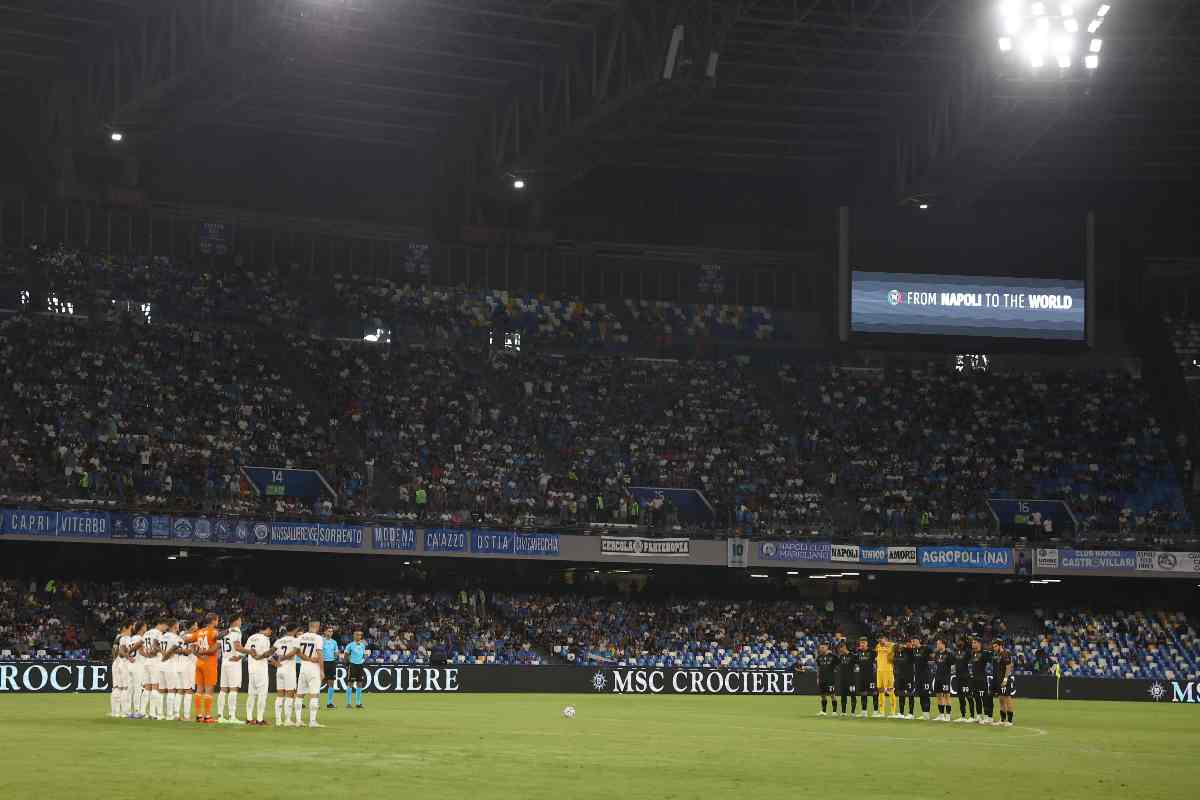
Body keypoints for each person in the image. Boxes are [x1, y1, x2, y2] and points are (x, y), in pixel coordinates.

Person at [187, 613, 221, 724]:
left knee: (199, 689)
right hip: (209, 662)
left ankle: (198, 715)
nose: (218, 622)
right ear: (214, 621)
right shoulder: (214, 632)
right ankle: (207, 716)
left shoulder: (199, 632)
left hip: (199, 662)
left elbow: (186, 639)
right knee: (209, 690)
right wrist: (203, 651)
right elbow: (212, 650)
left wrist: (197, 651)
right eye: (217, 620)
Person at [217, 614, 250, 724]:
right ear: (235, 621)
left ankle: (220, 716)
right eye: (240, 620)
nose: (241, 622)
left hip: (224, 661)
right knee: (233, 689)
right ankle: (232, 716)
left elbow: (218, 644)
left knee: (223, 689)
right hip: (233, 662)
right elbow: (237, 647)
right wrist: (249, 651)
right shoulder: (236, 631)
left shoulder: (224, 632)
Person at [296, 620, 326, 728]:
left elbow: (297, 651)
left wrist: (307, 659)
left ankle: (298, 721)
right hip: (314, 668)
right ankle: (312, 722)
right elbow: (320, 654)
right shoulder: (318, 638)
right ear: (316, 626)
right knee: (314, 695)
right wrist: (322, 670)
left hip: (303, 667)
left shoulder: (301, 637)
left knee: (300, 694)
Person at [270, 623, 301, 727]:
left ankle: (278, 720)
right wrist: (283, 658)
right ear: (295, 629)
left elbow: (270, 655)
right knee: (290, 694)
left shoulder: (279, 640)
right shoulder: (295, 640)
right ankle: (287, 720)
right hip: (289, 670)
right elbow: (294, 652)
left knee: (280, 695)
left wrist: (275, 662)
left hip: (280, 669)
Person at [244, 625, 274, 726]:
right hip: (261, 669)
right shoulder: (265, 639)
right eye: (270, 630)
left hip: (251, 669)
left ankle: (249, 719)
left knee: (251, 694)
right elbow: (266, 654)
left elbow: (245, 651)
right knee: (262, 694)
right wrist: (274, 661)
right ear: (267, 629)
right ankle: (260, 719)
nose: (270, 633)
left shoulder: (251, 637)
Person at [141, 620, 167, 720]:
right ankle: (153, 713)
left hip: (147, 661)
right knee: (155, 688)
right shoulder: (158, 633)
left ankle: (143, 712)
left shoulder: (146, 633)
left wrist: (147, 654)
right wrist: (162, 652)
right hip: (155, 661)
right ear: (160, 624)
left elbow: (142, 646)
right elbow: (156, 645)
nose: (165, 628)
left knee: (147, 688)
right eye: (165, 626)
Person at [160, 620, 183, 721]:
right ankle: (170, 715)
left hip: (161, 666)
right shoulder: (175, 637)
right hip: (170, 665)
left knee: (161, 691)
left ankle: (160, 714)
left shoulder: (162, 636)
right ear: (174, 626)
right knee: (171, 690)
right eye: (177, 625)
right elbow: (176, 649)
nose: (178, 626)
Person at [177, 621, 198, 721]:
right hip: (188, 665)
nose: (197, 627)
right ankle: (186, 716)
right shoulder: (194, 636)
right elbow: (190, 651)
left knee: (180, 690)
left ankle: (176, 714)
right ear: (192, 626)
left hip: (179, 663)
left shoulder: (181, 634)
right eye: (196, 625)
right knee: (188, 690)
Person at [970, 638, 994, 725]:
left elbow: (991, 660)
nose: (973, 644)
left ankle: (987, 717)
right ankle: (979, 715)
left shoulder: (984, 653)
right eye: (972, 643)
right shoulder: (973, 653)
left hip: (982, 679)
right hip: (974, 679)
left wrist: (990, 652)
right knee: (977, 698)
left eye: (974, 642)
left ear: (979, 644)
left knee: (984, 698)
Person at [111, 622, 132, 718]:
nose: (131, 630)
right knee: (124, 688)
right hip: (123, 663)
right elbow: (122, 652)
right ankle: (124, 712)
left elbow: (114, 650)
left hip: (116, 663)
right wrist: (129, 658)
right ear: (125, 628)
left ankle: (115, 712)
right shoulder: (125, 638)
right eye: (130, 628)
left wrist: (114, 660)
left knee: (116, 687)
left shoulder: (117, 637)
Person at [993, 639, 1016, 727]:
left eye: (995, 646)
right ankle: (1002, 720)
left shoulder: (1005, 654)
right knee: (1001, 700)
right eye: (993, 646)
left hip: (1004, 680)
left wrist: (1005, 679)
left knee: (1007, 699)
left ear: (1000, 646)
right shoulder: (998, 655)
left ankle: (1009, 721)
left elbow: (1008, 667)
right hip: (999, 679)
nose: (994, 648)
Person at [953, 636, 975, 723]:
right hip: (958, 678)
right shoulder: (956, 652)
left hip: (966, 677)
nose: (958, 643)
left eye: (960, 641)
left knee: (969, 697)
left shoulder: (967, 652)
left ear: (963, 643)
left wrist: (969, 642)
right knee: (961, 697)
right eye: (958, 641)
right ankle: (963, 716)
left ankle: (972, 716)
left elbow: (972, 652)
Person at [854, 637, 878, 718]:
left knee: (874, 693)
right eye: (861, 642)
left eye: (864, 642)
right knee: (863, 693)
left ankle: (875, 711)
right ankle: (864, 711)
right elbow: (856, 662)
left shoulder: (872, 652)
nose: (862, 644)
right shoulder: (858, 652)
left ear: (867, 643)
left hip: (871, 676)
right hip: (862, 676)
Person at [344, 629, 368, 709]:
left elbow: (364, 655)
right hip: (352, 665)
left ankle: (358, 703)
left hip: (360, 666)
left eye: (360, 635)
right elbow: (346, 655)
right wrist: (347, 664)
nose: (359, 636)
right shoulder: (350, 645)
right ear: (354, 636)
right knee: (350, 683)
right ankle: (349, 703)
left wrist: (363, 659)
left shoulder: (362, 645)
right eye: (357, 635)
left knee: (359, 683)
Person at [127, 622, 146, 719]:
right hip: (138, 665)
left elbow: (127, 651)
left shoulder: (130, 638)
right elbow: (142, 652)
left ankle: (129, 711)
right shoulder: (140, 639)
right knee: (138, 689)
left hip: (130, 665)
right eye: (145, 626)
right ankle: (137, 711)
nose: (146, 628)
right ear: (142, 628)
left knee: (130, 689)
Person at [893, 636, 914, 719]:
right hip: (900, 677)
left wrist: (908, 646)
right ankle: (901, 713)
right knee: (901, 694)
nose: (901, 646)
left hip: (909, 676)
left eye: (902, 644)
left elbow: (911, 650)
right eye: (899, 644)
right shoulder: (896, 653)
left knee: (910, 694)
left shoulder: (909, 652)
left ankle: (911, 713)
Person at [933, 638, 954, 721]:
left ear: (943, 644)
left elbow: (952, 663)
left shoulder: (949, 654)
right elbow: (936, 663)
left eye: (938, 644)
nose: (937, 645)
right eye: (937, 644)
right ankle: (941, 715)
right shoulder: (937, 654)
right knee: (938, 696)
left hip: (945, 677)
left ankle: (948, 715)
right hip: (938, 677)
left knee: (946, 696)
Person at [874, 635, 895, 718]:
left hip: (888, 671)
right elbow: (876, 651)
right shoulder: (878, 646)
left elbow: (896, 646)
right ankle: (881, 711)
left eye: (881, 639)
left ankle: (893, 712)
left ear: (886, 640)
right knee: (880, 691)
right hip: (879, 671)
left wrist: (887, 643)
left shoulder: (891, 646)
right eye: (879, 639)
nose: (880, 641)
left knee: (891, 690)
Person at [913, 636, 933, 721]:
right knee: (921, 695)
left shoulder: (925, 648)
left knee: (925, 695)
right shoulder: (914, 650)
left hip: (925, 676)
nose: (914, 642)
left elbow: (932, 652)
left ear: (919, 641)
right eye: (913, 641)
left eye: (915, 641)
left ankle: (927, 714)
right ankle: (924, 713)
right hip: (918, 676)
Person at [815, 643, 838, 716]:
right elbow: (818, 668)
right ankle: (823, 711)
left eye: (823, 647)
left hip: (830, 679)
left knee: (832, 695)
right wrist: (818, 677)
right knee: (823, 695)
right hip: (822, 679)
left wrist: (835, 669)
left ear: (827, 648)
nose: (821, 649)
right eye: (820, 647)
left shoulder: (832, 656)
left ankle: (834, 712)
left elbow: (839, 663)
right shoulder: (819, 657)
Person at [835, 641, 855, 716]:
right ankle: (843, 712)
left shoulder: (852, 655)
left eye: (841, 648)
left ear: (844, 647)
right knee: (843, 695)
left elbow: (857, 663)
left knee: (852, 695)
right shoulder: (841, 657)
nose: (840, 650)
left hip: (851, 679)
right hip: (843, 679)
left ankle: (852, 712)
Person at [322, 626, 339, 709]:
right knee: (319, 682)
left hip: (331, 663)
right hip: (322, 663)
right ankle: (315, 703)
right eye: (328, 631)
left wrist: (336, 654)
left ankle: (329, 703)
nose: (330, 633)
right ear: (325, 632)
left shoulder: (334, 642)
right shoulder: (321, 641)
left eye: (331, 631)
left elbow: (336, 653)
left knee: (331, 683)